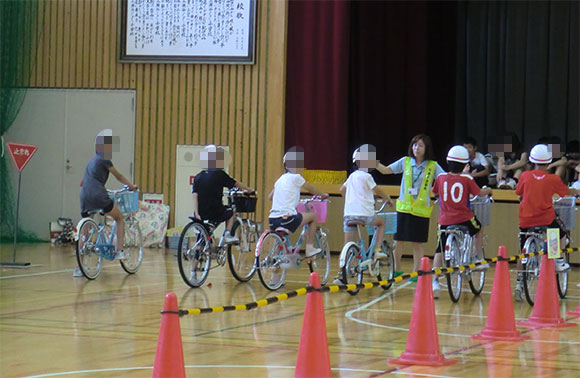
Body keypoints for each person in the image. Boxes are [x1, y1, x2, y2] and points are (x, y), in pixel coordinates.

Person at [513, 144, 580, 301]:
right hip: (545, 218)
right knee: (560, 231)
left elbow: (517, 192)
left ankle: (518, 285)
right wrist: (577, 192)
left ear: (532, 161)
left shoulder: (525, 176)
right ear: (549, 162)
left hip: (525, 219)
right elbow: (566, 191)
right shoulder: (553, 179)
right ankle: (557, 259)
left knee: (523, 250)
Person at [376, 134, 445, 280]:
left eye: (420, 145)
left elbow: (444, 179)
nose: (416, 148)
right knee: (398, 241)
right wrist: (373, 162)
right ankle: (396, 270)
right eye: (414, 145)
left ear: (426, 148)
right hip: (404, 209)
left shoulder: (432, 165)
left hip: (421, 211)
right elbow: (386, 170)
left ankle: (416, 272)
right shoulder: (405, 161)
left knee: (417, 243)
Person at [431, 146, 492, 298]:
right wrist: (489, 190)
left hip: (445, 220)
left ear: (447, 161)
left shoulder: (441, 178)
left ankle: (435, 280)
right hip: (464, 218)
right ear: (465, 163)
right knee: (478, 229)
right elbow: (478, 192)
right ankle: (478, 257)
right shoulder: (467, 179)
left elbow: (434, 193)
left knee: (440, 248)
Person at [77, 129, 137, 276]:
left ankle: (79, 267)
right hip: (99, 195)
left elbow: (81, 182)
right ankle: (119, 251)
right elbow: (118, 175)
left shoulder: (91, 162)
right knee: (119, 218)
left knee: (84, 231)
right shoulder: (104, 159)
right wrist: (131, 186)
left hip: (84, 196)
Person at [333, 145, 393, 284]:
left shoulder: (352, 176)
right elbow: (377, 190)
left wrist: (350, 201)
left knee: (346, 245)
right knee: (380, 223)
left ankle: (341, 275)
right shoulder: (367, 176)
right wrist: (387, 198)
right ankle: (377, 250)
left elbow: (342, 190)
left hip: (349, 215)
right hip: (365, 215)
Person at [268, 146, 328, 257]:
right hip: (287, 218)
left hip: (272, 219)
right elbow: (310, 188)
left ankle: (275, 266)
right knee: (313, 217)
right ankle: (310, 247)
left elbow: (270, 197)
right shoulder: (296, 177)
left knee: (280, 238)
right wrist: (322, 195)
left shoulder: (280, 179)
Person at [192, 145, 254, 244]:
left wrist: (196, 213)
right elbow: (235, 183)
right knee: (231, 211)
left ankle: (199, 248)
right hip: (215, 211)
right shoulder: (220, 174)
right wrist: (248, 189)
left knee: (204, 231)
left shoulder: (198, 177)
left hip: (201, 212)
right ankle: (227, 234)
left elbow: (195, 196)